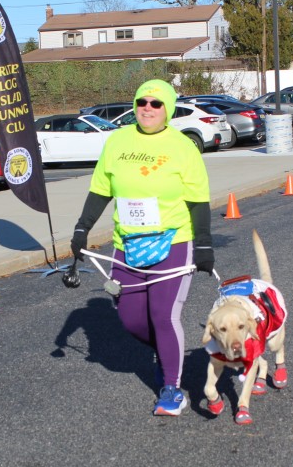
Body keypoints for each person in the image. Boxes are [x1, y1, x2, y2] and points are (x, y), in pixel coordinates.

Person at [70, 79, 213, 417]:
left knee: (164, 315)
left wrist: (204, 243)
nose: (148, 108)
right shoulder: (117, 141)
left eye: (156, 103)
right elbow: (101, 190)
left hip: (172, 242)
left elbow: (198, 200)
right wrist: (82, 228)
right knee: (131, 319)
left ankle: (172, 388)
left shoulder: (183, 147)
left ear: (169, 109)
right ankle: (166, 353)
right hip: (128, 244)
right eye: (142, 102)